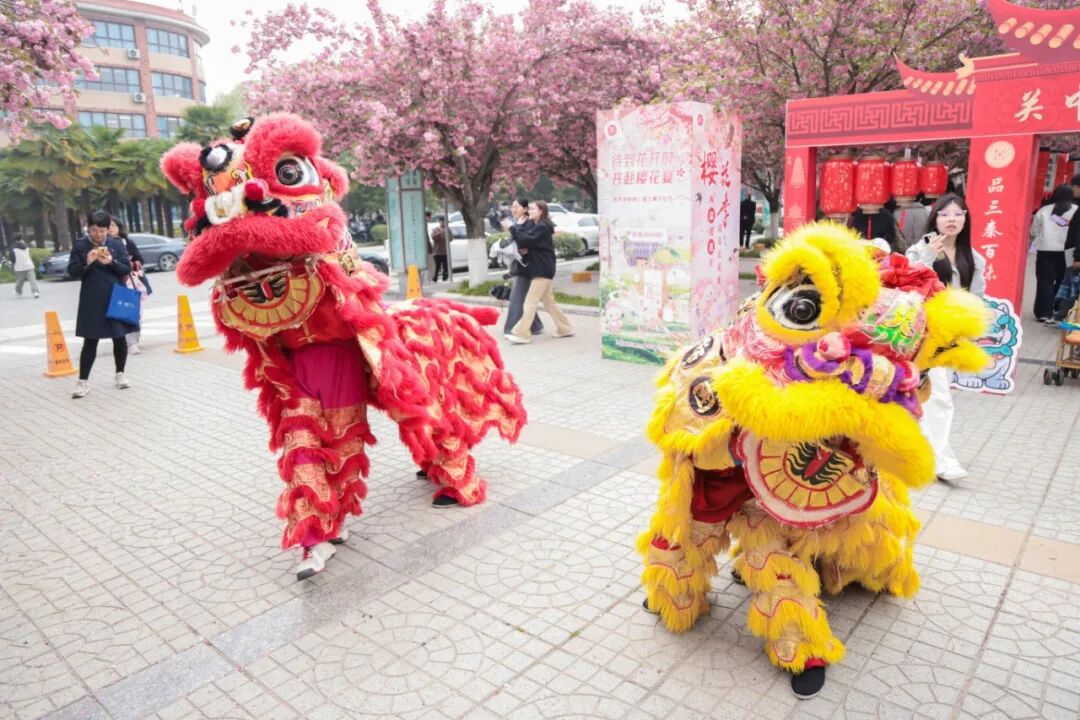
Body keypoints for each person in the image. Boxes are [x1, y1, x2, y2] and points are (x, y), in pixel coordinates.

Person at [906, 193, 986, 481]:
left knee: (928, 394)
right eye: (945, 214)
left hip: (951, 336)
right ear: (935, 218)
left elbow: (976, 297)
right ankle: (941, 461)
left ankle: (919, 451)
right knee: (939, 396)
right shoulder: (919, 250)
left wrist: (971, 333)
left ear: (966, 219)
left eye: (958, 214)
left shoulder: (973, 258)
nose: (952, 219)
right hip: (922, 335)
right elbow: (908, 283)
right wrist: (928, 256)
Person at [69, 210, 136, 398]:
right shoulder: (81, 245)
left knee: (119, 337)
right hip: (92, 299)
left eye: (102, 231)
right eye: (93, 230)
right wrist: (87, 262)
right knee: (90, 340)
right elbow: (72, 271)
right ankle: (82, 382)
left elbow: (126, 269)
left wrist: (111, 262)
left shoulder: (116, 244)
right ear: (88, 228)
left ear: (108, 229)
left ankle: (120, 374)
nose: (97, 234)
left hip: (115, 296)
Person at [506, 200, 574, 344]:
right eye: (529, 208)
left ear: (540, 211)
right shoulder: (540, 225)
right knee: (549, 303)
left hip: (542, 269)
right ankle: (565, 328)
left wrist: (512, 227)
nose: (529, 211)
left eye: (532, 209)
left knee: (530, 302)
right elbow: (529, 242)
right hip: (542, 268)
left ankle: (521, 333)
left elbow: (524, 240)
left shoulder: (542, 227)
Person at [1029, 184, 1076, 324]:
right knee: (1063, 280)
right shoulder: (1076, 210)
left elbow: (1034, 231)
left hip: (1046, 249)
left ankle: (1043, 312)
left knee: (1045, 281)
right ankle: (1057, 309)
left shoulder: (1044, 210)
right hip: (1068, 251)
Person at [500, 197, 543, 337]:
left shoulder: (529, 223)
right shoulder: (517, 222)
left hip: (526, 265)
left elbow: (524, 240)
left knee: (516, 298)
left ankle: (512, 329)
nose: (513, 209)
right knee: (523, 297)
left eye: (516, 207)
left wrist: (512, 229)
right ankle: (536, 326)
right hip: (518, 263)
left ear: (525, 209)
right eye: (512, 207)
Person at [110, 217, 150, 353]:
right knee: (124, 314)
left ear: (119, 228)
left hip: (132, 282)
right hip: (115, 283)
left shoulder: (127, 242)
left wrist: (134, 263)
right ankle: (130, 343)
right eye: (107, 226)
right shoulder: (103, 244)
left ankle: (134, 340)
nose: (110, 228)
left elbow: (140, 259)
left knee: (135, 313)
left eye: (113, 225)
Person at [9, 233, 39, 298]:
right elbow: (29, 254)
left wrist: (12, 265)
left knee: (19, 281)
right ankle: (35, 292)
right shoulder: (26, 246)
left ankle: (18, 292)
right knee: (32, 280)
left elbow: (12, 258)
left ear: (14, 239)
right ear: (21, 238)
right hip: (29, 265)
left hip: (19, 267)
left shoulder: (12, 247)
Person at [430, 218, 450, 282]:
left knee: (446, 267)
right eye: (442, 222)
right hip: (437, 252)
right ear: (439, 222)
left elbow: (451, 238)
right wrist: (440, 233)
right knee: (436, 267)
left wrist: (447, 235)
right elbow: (433, 237)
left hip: (445, 252)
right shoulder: (435, 229)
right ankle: (434, 278)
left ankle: (445, 277)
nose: (443, 223)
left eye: (444, 222)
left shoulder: (448, 230)